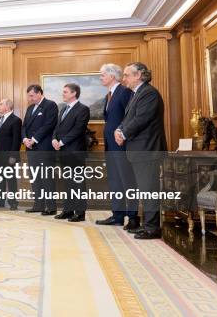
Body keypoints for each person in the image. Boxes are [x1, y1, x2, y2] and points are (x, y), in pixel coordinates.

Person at [116, 62, 167, 239]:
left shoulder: (149, 93)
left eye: (126, 75)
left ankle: (152, 228)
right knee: (145, 189)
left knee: (149, 189)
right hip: (139, 150)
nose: (124, 79)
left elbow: (141, 119)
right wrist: (119, 129)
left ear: (138, 75)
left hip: (148, 150)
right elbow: (128, 118)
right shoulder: (137, 94)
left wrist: (123, 132)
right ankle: (148, 224)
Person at [95, 64, 139, 229]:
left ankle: (133, 217)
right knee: (115, 181)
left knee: (128, 181)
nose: (101, 78)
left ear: (112, 76)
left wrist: (121, 133)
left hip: (122, 145)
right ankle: (118, 215)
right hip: (110, 146)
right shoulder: (109, 95)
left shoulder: (125, 92)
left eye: (102, 75)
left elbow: (130, 117)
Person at [52, 83, 90, 222]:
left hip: (75, 152)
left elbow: (78, 130)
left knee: (77, 183)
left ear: (74, 93)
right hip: (63, 152)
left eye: (65, 92)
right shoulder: (63, 109)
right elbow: (57, 128)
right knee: (67, 182)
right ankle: (68, 210)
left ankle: (80, 213)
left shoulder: (83, 109)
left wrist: (61, 142)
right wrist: (54, 140)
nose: (63, 94)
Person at [21, 84, 58, 215]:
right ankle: (38, 205)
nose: (30, 98)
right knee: (35, 178)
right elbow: (24, 126)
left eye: (31, 95)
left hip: (44, 147)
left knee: (46, 178)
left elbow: (49, 125)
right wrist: (25, 139)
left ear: (39, 93)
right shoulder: (30, 108)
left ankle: (51, 207)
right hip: (31, 148)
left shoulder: (50, 105)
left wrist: (34, 139)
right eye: (29, 96)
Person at [0, 99, 22, 210]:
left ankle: (13, 202)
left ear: (8, 107)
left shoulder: (16, 120)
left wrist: (13, 156)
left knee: (11, 180)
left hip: (10, 157)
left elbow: (16, 140)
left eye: (1, 104)